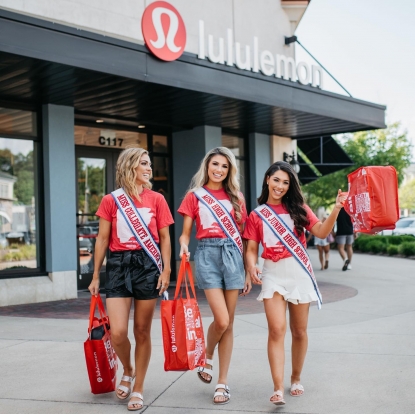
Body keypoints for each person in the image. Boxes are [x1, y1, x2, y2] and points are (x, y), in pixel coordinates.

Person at [244, 161, 347, 406]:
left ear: (290, 186)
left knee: (299, 331)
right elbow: (250, 249)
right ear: (268, 179)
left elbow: (321, 232)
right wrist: (251, 265)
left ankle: (296, 377)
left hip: (298, 272)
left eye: (285, 182)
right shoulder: (257, 215)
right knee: (276, 329)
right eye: (276, 180)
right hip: (272, 274)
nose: (280, 186)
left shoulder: (299, 208)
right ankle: (278, 387)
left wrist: (336, 209)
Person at [88, 148, 174, 411]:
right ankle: (128, 368)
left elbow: (164, 238)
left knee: (141, 331)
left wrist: (167, 269)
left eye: (149, 163)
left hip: (148, 265)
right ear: (130, 166)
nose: (149, 168)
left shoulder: (157, 199)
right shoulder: (111, 200)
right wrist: (95, 275)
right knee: (119, 333)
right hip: (118, 266)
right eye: (144, 164)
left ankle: (139, 387)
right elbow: (102, 239)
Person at [178, 147, 251, 405]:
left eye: (224, 166)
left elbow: (244, 236)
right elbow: (186, 231)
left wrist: (247, 270)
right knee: (220, 320)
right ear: (207, 166)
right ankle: (206, 354)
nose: (219, 170)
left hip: (233, 255)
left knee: (229, 323)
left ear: (229, 170)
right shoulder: (194, 195)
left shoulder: (236, 197)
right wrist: (184, 244)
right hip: (207, 254)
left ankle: (222, 383)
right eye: (215, 164)